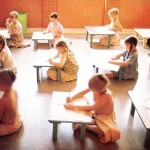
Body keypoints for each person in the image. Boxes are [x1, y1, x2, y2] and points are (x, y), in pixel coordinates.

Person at [64, 74, 120, 143]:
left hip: (105, 116)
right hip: (96, 114)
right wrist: (71, 98)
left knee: (106, 132)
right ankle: (91, 123)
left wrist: (73, 106)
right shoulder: (95, 87)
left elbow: (92, 107)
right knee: (84, 115)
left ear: (101, 88)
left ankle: (85, 126)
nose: (92, 90)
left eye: (93, 90)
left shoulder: (107, 95)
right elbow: (82, 93)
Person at [0, 69, 23, 136]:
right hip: (18, 120)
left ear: (4, 86)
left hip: (9, 127)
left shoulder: (4, 100)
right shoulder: (14, 91)